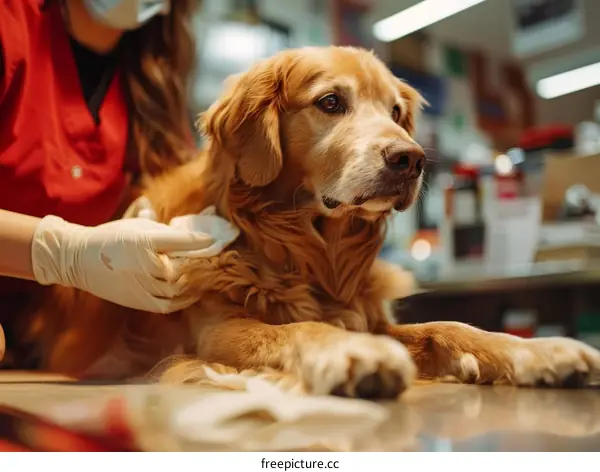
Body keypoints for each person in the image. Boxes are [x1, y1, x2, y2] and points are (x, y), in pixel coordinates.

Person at [0, 0, 237, 362]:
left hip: (53, 333)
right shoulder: (10, 24)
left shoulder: (153, 72)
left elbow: (169, 180)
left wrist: (152, 215)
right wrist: (69, 254)